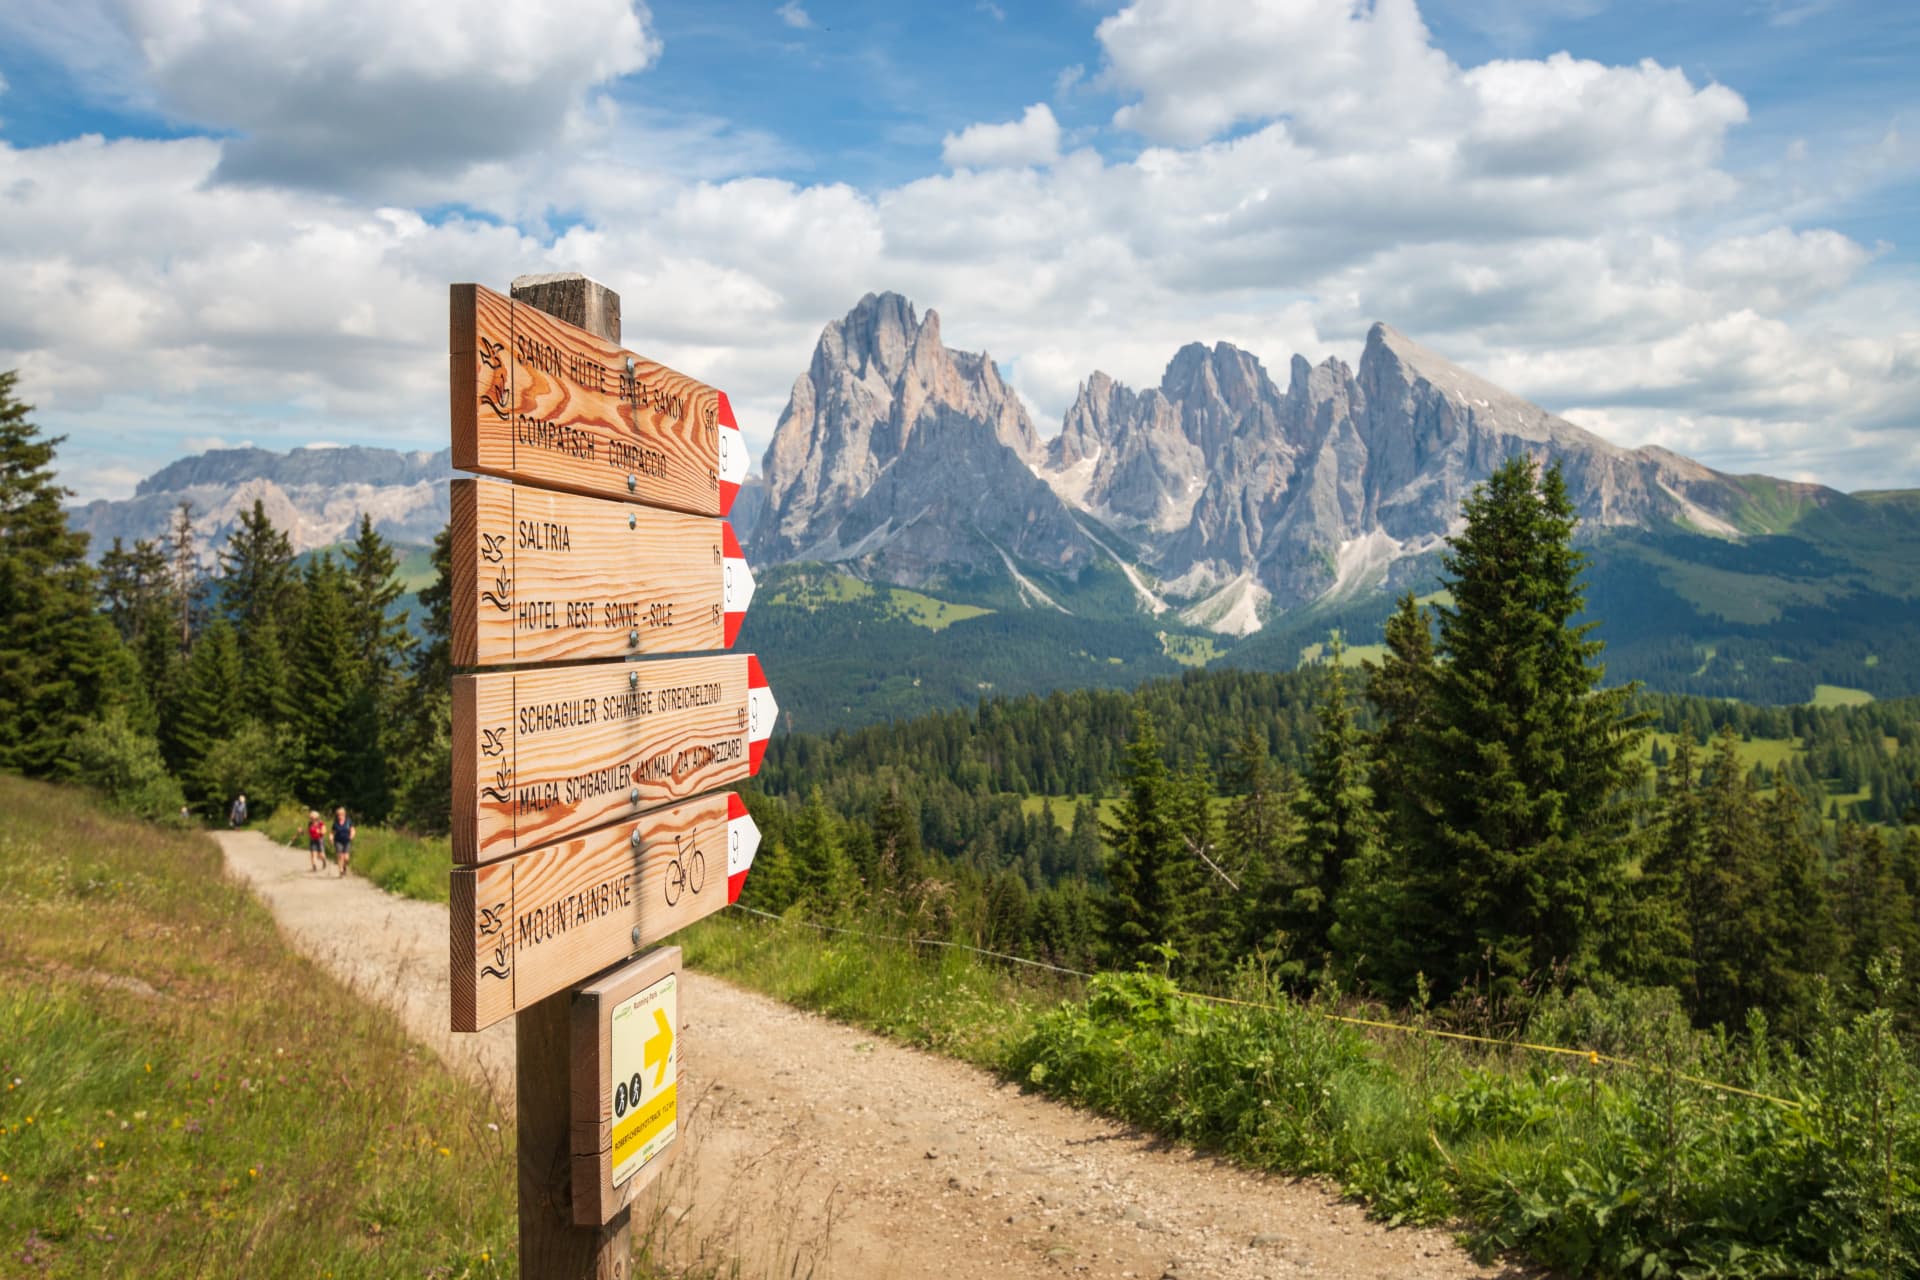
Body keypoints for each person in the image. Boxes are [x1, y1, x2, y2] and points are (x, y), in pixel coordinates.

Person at [332, 807, 355, 878]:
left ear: (344, 814)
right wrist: (331, 837)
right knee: (340, 856)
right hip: (338, 841)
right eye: (338, 814)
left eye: (341, 814)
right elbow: (332, 832)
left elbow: (353, 830)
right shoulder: (335, 823)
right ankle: (341, 871)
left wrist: (351, 835)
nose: (340, 816)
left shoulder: (348, 822)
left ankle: (344, 866)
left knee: (346, 858)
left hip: (347, 841)